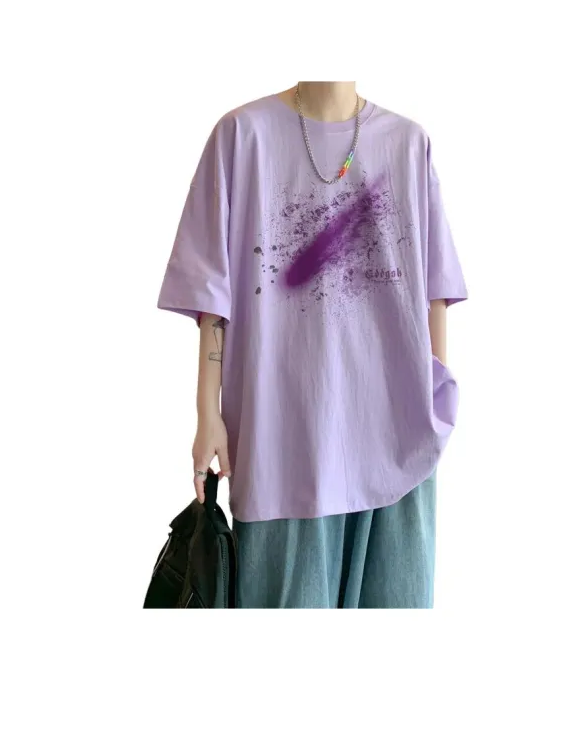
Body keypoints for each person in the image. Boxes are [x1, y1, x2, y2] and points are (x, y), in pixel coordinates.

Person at [157, 82, 468, 608]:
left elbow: (434, 289)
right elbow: (212, 294)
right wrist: (206, 411)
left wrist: (436, 398)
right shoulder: (243, 136)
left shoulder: (408, 143)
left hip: (400, 441)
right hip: (283, 447)